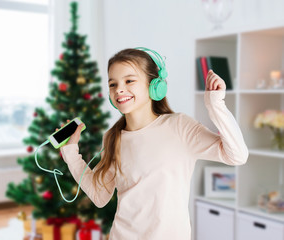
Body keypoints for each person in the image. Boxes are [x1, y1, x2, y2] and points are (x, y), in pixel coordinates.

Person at [59, 48, 249, 240]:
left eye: (129, 81)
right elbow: (100, 196)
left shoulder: (179, 127)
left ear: (154, 85)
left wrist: (216, 105)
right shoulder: (112, 137)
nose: (119, 89)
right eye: (112, 84)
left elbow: (237, 155)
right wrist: (71, 153)